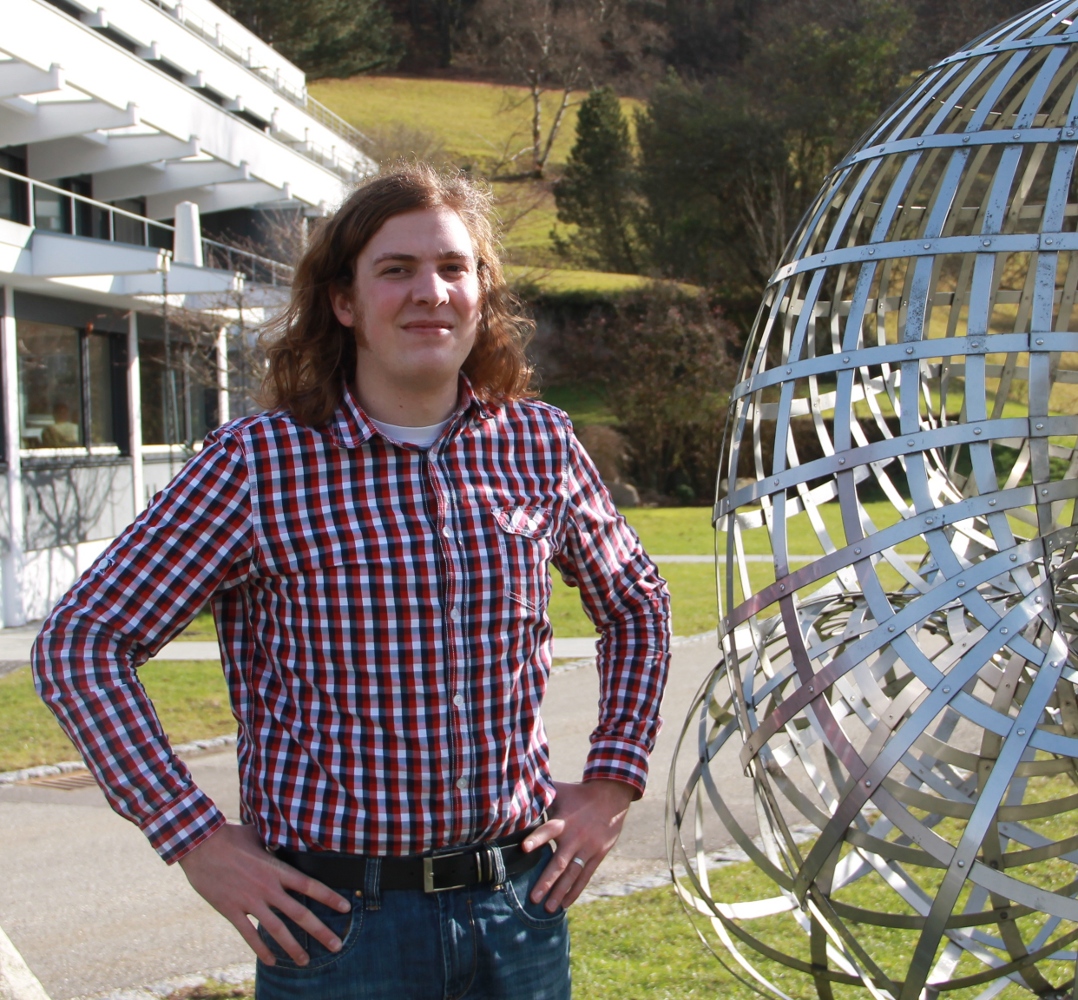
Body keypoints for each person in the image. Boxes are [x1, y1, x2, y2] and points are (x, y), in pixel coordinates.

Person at [32, 165, 671, 1000]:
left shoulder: (539, 445)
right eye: (395, 269)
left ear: (483, 291)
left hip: (518, 915)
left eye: (453, 268)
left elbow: (640, 605)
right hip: (339, 932)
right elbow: (82, 645)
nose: (430, 293)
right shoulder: (258, 464)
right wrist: (195, 839)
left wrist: (612, 785)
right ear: (343, 301)